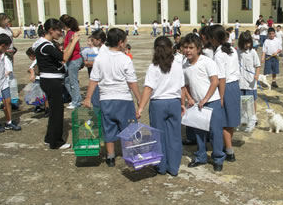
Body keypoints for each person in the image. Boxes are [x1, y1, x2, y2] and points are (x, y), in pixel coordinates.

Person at [83, 28, 141, 167]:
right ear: (121, 42)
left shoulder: (100, 59)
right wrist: (139, 98)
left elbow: (94, 80)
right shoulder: (125, 59)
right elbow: (132, 82)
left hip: (106, 99)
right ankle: (130, 153)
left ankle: (110, 156)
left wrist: (88, 98)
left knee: (108, 127)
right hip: (123, 99)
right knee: (128, 127)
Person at [136, 36, 185, 176]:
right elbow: (182, 87)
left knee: (158, 136)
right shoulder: (177, 64)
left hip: (158, 104)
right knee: (174, 136)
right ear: (171, 48)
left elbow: (148, 89)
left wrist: (140, 107)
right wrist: (182, 103)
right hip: (174, 102)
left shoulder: (154, 66)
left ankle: (161, 166)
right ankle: (174, 167)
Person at [182, 33, 226, 172]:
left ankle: (218, 158)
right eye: (185, 47)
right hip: (196, 105)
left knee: (215, 132)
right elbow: (186, 85)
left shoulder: (207, 62)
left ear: (198, 49)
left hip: (211, 102)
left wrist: (205, 99)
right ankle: (201, 156)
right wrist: (189, 97)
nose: (188, 50)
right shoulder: (185, 65)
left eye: (191, 47)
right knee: (199, 132)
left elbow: (215, 81)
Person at [34, 19, 78, 149]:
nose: (61, 33)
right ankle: (56, 142)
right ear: (51, 30)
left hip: (51, 80)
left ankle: (49, 138)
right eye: (59, 30)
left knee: (54, 111)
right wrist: (74, 42)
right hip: (51, 81)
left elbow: (61, 55)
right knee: (57, 112)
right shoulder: (46, 46)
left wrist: (70, 43)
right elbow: (64, 57)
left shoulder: (45, 44)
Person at [208, 25, 241, 163]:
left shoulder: (219, 54)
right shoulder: (231, 49)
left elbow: (221, 78)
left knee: (224, 121)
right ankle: (228, 146)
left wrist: (220, 97)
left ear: (214, 39)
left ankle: (229, 149)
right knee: (230, 120)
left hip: (225, 87)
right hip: (234, 86)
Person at [238, 31, 260, 131]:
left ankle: (252, 120)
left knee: (250, 101)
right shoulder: (238, 52)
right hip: (240, 81)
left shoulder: (253, 52)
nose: (247, 45)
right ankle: (244, 120)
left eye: (248, 43)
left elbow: (258, 65)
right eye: (245, 43)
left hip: (250, 82)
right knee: (242, 101)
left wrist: (256, 75)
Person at [60, 14, 83, 109]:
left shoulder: (70, 33)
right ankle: (76, 98)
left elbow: (71, 47)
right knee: (67, 80)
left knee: (73, 81)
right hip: (72, 59)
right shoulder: (70, 33)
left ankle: (76, 101)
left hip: (74, 59)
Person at [26, 47, 49, 116]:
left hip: (39, 79)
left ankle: (44, 108)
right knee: (43, 95)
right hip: (43, 78)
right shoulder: (42, 58)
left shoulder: (36, 60)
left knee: (41, 95)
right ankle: (43, 108)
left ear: (32, 56)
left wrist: (32, 74)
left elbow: (31, 68)